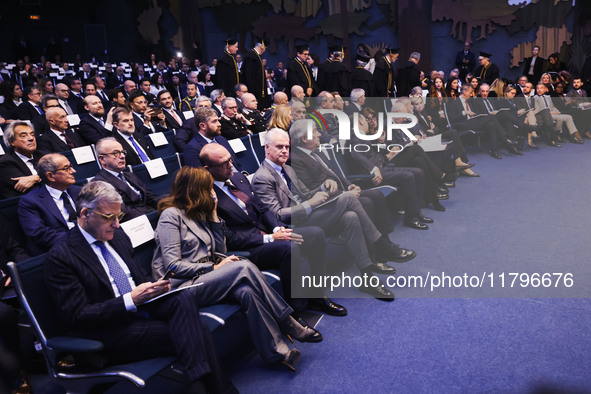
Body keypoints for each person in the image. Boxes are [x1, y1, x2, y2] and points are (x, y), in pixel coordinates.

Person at [44, 181, 235, 393]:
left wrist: (154, 288)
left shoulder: (117, 237)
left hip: (141, 311)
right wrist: (130, 300)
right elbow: (77, 315)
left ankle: (200, 388)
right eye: (110, 217)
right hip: (107, 329)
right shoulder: (62, 256)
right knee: (196, 329)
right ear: (85, 213)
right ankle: (215, 389)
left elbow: (137, 277)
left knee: (182, 298)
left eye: (119, 217)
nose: (117, 224)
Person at [252, 128, 418, 301]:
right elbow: (276, 215)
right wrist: (310, 203)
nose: (285, 151)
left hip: (307, 215)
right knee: (348, 200)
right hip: (293, 226)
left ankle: (368, 278)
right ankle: (382, 244)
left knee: (351, 217)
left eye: (287, 146)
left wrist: (323, 186)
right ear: (267, 148)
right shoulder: (262, 177)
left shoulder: (287, 168)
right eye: (279, 147)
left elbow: (306, 192)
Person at [18, 153, 81, 255]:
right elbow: (39, 234)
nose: (73, 171)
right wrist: (79, 238)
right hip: (61, 252)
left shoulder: (80, 191)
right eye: (66, 168)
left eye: (71, 167)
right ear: (51, 176)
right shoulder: (30, 201)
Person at [93, 138, 161, 220]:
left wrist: (168, 204)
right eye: (116, 153)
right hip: (138, 223)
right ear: (102, 159)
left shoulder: (130, 175)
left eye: (122, 152)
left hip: (151, 214)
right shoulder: (100, 184)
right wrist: (151, 216)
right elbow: (123, 213)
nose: (122, 156)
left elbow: (151, 197)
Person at [0, 121, 42, 198]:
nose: (31, 138)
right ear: (12, 141)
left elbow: (62, 175)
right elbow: (30, 190)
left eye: (32, 134)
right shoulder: (5, 163)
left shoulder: (42, 155)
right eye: (23, 136)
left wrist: (37, 178)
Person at [241, 41, 269, 109]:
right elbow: (249, 75)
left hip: (258, 89)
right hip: (254, 90)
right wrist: (251, 91)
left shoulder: (256, 56)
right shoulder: (251, 56)